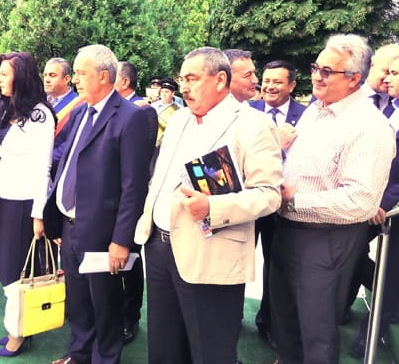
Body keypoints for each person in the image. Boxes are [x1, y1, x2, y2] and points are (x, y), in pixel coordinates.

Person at [134, 46, 282, 364]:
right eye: (181, 79)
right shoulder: (179, 119)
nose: (184, 87)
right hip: (158, 246)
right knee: (163, 347)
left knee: (210, 351)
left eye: (192, 78)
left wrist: (213, 208)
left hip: (211, 253)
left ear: (220, 80)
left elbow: (269, 194)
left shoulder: (252, 124)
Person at [270, 34, 396, 364]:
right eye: (316, 67)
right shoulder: (316, 110)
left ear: (354, 79)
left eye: (327, 71)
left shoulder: (369, 127)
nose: (316, 76)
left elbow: (361, 201)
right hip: (288, 229)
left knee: (316, 331)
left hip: (326, 239)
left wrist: (294, 200)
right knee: (284, 322)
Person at [43, 44, 154, 364]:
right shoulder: (80, 111)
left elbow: (133, 186)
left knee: (105, 304)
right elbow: (67, 164)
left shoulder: (131, 117)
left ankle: (105, 358)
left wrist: (121, 241)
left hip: (103, 234)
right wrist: (59, 217)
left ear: (104, 77)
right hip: (70, 226)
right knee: (78, 301)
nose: (75, 79)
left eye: (80, 73)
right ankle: (78, 355)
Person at [0, 51, 56, 357]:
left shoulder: (40, 115)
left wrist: (38, 214)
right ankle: (17, 326)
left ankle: (18, 333)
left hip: (25, 202)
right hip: (5, 196)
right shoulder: (11, 109)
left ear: (21, 77)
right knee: (9, 267)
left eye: (5, 74)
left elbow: (44, 167)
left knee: (13, 270)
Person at [248, 60, 306, 348]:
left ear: (292, 85)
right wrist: (276, 146)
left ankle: (269, 322)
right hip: (246, 202)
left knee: (276, 267)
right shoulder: (247, 112)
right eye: (266, 80)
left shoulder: (305, 117)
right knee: (234, 260)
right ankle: (227, 317)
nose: (269, 87)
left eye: (277, 82)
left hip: (280, 206)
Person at [344, 43, 399, 318]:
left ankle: (387, 304)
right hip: (351, 194)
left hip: (383, 206)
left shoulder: (393, 107)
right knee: (349, 255)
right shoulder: (350, 99)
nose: (388, 78)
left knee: (354, 255)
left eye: (395, 73)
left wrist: (383, 203)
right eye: (386, 70)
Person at [114, 60, 158, 344]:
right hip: (111, 197)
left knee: (130, 258)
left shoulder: (143, 110)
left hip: (131, 196)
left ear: (125, 82)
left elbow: (140, 160)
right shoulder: (115, 107)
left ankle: (130, 316)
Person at [43, 57, 83, 172]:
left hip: (56, 170)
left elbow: (69, 145)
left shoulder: (79, 106)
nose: (47, 80)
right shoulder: (39, 102)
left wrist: (41, 161)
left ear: (66, 79)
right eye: (45, 75)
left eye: (52, 75)